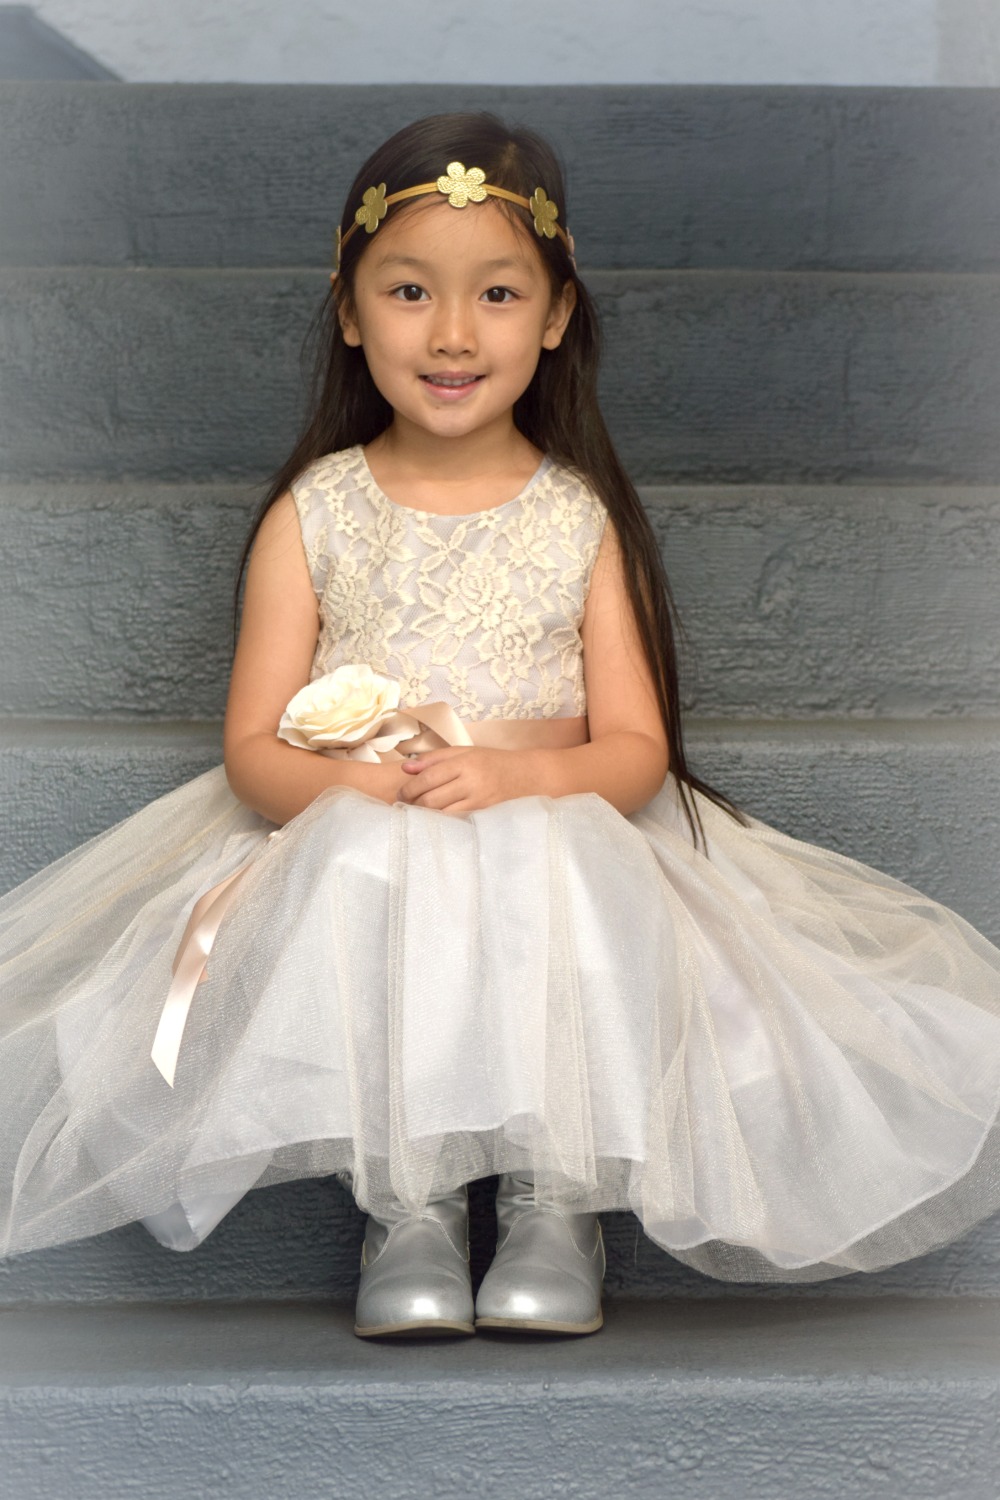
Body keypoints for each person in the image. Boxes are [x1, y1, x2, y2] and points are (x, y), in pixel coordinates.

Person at [2, 112, 1000, 1342]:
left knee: (557, 863)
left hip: (540, 806)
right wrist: (370, 793)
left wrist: (514, 781)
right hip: (368, 812)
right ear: (350, 312)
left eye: (498, 293)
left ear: (557, 314)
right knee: (365, 868)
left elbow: (634, 752)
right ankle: (409, 1204)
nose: (453, 334)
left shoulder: (577, 517)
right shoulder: (316, 512)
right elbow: (256, 749)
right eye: (409, 291)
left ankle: (551, 1202)